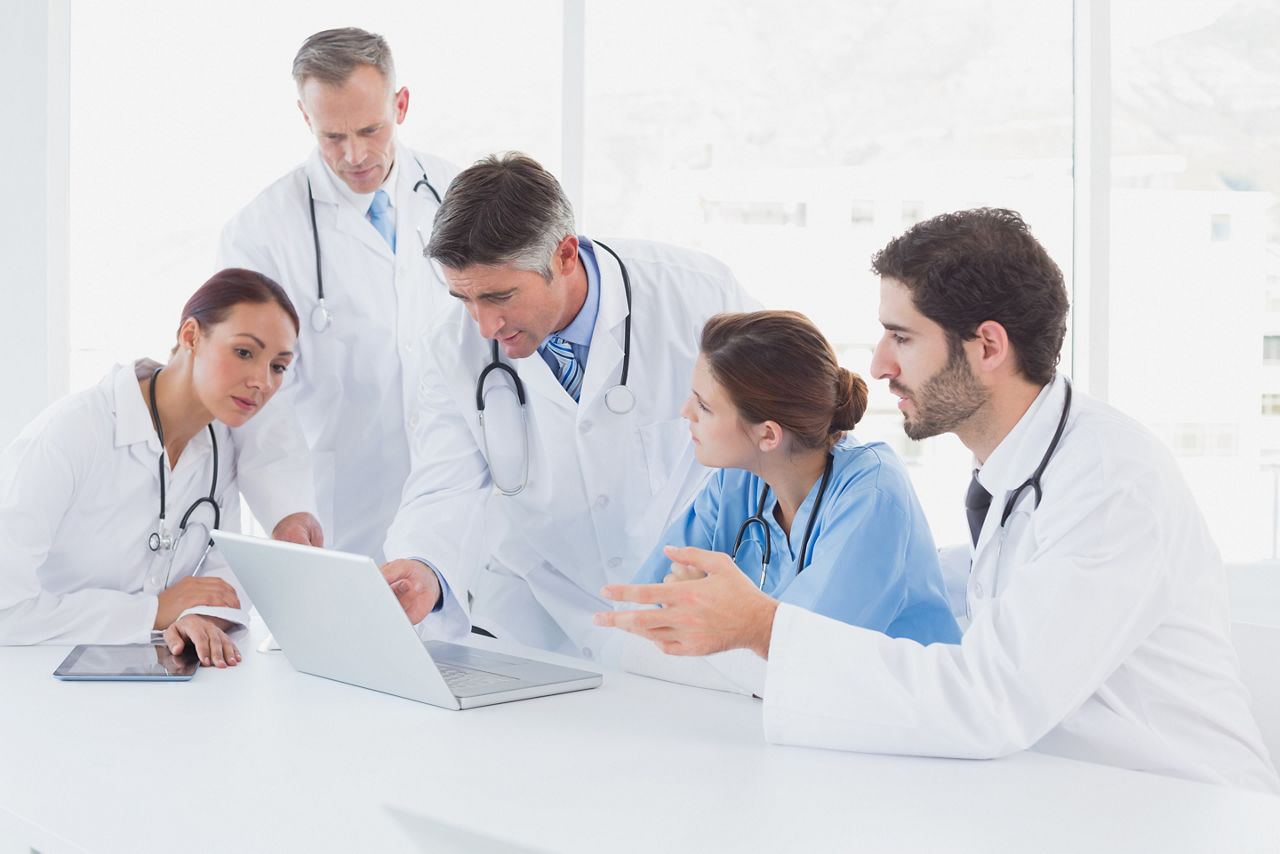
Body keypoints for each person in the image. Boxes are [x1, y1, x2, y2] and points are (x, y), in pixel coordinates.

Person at [596, 208, 1280, 794]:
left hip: (1189, 814)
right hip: (1071, 799)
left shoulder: (1110, 483)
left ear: (987, 347)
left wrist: (764, 626)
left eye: (902, 337)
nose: (878, 366)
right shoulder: (1014, 476)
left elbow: (992, 698)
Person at [378, 152, 757, 659]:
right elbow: (443, 482)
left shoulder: (699, 297)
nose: (484, 325)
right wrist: (423, 565)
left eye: (500, 296)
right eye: (463, 299)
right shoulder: (451, 349)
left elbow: (768, 447)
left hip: (682, 595)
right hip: (535, 607)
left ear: (564, 255)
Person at [218, 27, 459, 560]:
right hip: (336, 506)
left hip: (456, 493)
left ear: (401, 104)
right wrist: (283, 506)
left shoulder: (457, 194)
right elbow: (249, 388)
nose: (354, 155)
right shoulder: (261, 232)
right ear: (306, 118)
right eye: (332, 136)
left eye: (371, 129)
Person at [0, 269, 303, 667]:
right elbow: (6, 610)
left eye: (278, 366)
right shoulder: (74, 433)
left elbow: (225, 581)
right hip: (38, 683)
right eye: (244, 352)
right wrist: (152, 612)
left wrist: (195, 618)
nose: (261, 382)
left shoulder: (218, 443)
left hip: (153, 687)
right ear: (191, 336)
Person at [633, 310, 959, 649]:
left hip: (892, 697)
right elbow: (645, 608)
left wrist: (704, 607)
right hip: (765, 697)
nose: (686, 412)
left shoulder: (872, 491)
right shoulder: (735, 483)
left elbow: (803, 648)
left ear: (769, 435)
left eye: (704, 406)